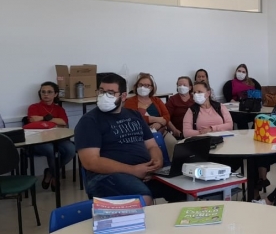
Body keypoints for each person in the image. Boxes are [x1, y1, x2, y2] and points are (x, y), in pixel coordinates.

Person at [75, 74, 182, 205]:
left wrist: (156, 162)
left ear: (123, 96)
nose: (104, 96)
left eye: (110, 93)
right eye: (101, 91)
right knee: (143, 199)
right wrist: (133, 171)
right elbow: (91, 162)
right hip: (107, 176)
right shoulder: (90, 121)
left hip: (144, 171)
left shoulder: (134, 115)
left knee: (181, 188)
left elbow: (152, 146)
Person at [27, 81, 76, 191]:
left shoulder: (59, 109)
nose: (46, 94)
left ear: (55, 94)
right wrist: (54, 120)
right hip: (38, 140)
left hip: (57, 139)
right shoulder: (34, 107)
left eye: (49, 92)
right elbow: (33, 120)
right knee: (50, 149)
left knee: (71, 149)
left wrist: (44, 118)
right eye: (43, 92)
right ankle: (55, 177)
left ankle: (50, 172)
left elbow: (63, 122)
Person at [123, 73, 177, 159]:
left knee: (172, 143)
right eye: (140, 85)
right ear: (136, 86)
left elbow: (166, 116)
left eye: (147, 85)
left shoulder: (157, 100)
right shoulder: (130, 101)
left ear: (151, 88)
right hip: (140, 135)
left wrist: (159, 124)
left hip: (160, 131)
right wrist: (154, 119)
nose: (143, 87)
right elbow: (132, 119)